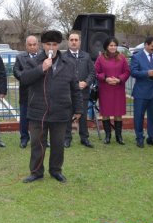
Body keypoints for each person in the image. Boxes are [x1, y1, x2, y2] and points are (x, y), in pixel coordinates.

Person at [20, 30, 82, 183]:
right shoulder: (33, 61)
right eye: (48, 44)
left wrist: (78, 109)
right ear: (43, 45)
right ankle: (36, 171)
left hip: (61, 111)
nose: (51, 48)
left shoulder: (69, 63)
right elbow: (24, 79)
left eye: (54, 45)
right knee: (37, 144)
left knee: (58, 144)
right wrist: (41, 68)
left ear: (58, 45)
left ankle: (56, 170)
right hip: (38, 112)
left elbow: (75, 88)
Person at [95, 37, 131, 145]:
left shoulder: (122, 57)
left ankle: (119, 136)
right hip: (105, 89)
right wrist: (105, 78)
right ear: (107, 46)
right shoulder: (100, 58)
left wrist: (119, 79)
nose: (113, 47)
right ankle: (107, 136)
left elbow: (127, 71)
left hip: (118, 89)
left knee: (118, 113)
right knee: (105, 113)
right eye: (111, 45)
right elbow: (96, 72)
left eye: (115, 45)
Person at [62, 32, 95, 148]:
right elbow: (61, 75)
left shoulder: (86, 56)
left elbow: (92, 72)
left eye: (76, 40)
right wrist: (74, 84)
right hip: (69, 93)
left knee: (83, 116)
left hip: (83, 92)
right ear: (68, 42)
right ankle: (67, 138)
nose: (74, 42)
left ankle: (84, 138)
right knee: (67, 116)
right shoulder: (63, 57)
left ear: (80, 42)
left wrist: (86, 82)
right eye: (72, 40)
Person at [130, 37, 153, 148]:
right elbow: (133, 72)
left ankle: (152, 138)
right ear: (146, 45)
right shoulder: (136, 56)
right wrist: (147, 73)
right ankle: (139, 138)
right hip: (141, 92)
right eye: (152, 46)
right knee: (139, 116)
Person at [13, 35, 40, 148]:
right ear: (26, 45)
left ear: (37, 45)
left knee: (40, 118)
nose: (32, 47)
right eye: (30, 45)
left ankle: (40, 139)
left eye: (34, 44)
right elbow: (16, 71)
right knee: (24, 118)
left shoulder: (43, 56)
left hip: (39, 93)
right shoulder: (20, 57)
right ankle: (24, 138)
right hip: (25, 92)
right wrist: (26, 77)